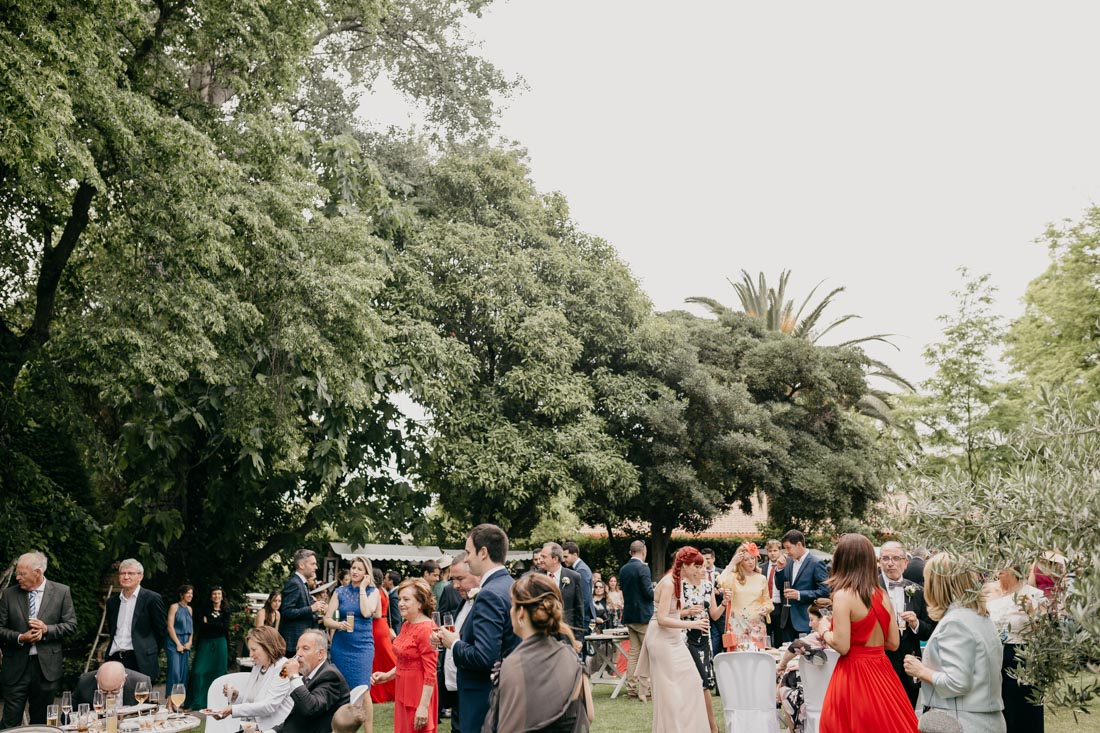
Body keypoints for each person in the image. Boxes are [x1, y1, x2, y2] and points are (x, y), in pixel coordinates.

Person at [817, 534, 917, 733]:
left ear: (842, 560)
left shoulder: (843, 596)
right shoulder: (882, 595)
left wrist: (824, 630)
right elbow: (893, 643)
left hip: (853, 674)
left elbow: (842, 646)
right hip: (882, 671)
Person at [904, 553, 1006, 733]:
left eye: (927, 580)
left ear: (938, 585)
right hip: (983, 720)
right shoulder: (979, 616)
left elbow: (957, 683)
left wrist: (921, 671)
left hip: (963, 722)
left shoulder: (956, 622)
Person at [434, 523, 520, 733]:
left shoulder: (489, 594)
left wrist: (453, 643)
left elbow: (484, 657)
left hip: (483, 697)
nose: (466, 558)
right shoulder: (511, 585)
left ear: (483, 552)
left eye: (469, 552)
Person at [487, 573, 592, 732]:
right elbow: (589, 714)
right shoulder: (572, 657)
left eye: (513, 605)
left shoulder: (514, 665)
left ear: (521, 612)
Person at [636, 546, 712, 732]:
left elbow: (674, 613)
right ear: (685, 565)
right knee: (669, 692)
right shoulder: (669, 583)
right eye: (697, 566)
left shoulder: (679, 581)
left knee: (694, 681)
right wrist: (692, 625)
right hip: (661, 640)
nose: (700, 570)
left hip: (674, 639)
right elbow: (662, 619)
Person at [0, 551, 78, 726]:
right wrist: (21, 637)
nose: (17, 577)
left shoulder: (61, 592)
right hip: (15, 669)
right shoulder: (9, 594)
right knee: (10, 722)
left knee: (41, 723)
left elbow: (71, 625)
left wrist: (47, 630)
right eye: (18, 573)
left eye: (22, 573)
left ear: (38, 572)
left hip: (46, 669)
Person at [370, 579, 438, 733]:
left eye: (406, 599)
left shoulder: (427, 629)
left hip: (419, 693)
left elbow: (431, 672)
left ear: (420, 603)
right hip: (403, 689)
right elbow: (405, 662)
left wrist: (423, 706)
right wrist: (387, 676)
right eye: (400, 599)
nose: (400, 603)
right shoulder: (407, 624)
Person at [985, 566, 1046, 733]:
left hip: (1023, 659)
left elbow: (1045, 632)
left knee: (1024, 713)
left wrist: (1032, 612)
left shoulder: (1034, 594)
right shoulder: (987, 591)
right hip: (991, 658)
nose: (1000, 568)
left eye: (1006, 564)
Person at [877, 541, 936, 706]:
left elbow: (930, 631)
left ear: (905, 563)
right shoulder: (870, 589)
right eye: (885, 558)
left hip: (909, 667)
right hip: (880, 665)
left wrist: (916, 623)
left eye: (896, 558)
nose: (890, 563)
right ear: (879, 562)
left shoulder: (918, 591)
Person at [210, 625, 294, 730]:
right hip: (253, 727)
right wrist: (237, 696)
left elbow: (269, 706)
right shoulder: (258, 666)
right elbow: (254, 701)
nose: (251, 654)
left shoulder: (284, 668)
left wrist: (233, 709)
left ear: (268, 647)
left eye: (254, 649)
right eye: (250, 650)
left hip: (275, 729)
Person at [678, 548, 724, 733]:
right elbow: (671, 614)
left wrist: (724, 604)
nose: (703, 569)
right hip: (685, 637)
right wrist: (688, 612)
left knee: (704, 682)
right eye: (699, 566)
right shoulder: (679, 586)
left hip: (704, 638)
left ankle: (711, 725)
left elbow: (713, 614)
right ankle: (697, 725)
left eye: (704, 566)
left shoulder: (708, 586)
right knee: (692, 682)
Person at [273, 629, 349, 733]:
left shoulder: (330, 676)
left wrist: (294, 677)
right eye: (297, 649)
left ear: (320, 654)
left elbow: (310, 709)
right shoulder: (309, 676)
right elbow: (295, 719)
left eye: (305, 648)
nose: (298, 654)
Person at [323, 556, 381, 690]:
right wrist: (339, 625)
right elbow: (327, 619)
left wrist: (362, 589)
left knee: (362, 688)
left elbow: (366, 613)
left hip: (362, 647)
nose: (355, 571)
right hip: (341, 645)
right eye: (353, 568)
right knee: (340, 687)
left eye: (359, 569)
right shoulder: (340, 592)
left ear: (367, 573)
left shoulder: (373, 592)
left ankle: (363, 712)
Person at [105, 558, 167, 682]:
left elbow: (161, 631)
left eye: (130, 573)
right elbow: (111, 628)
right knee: (114, 699)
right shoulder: (112, 602)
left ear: (140, 576)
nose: (126, 577)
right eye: (123, 573)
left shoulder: (152, 599)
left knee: (141, 700)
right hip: (115, 659)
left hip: (140, 660)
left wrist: (148, 650)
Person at [440, 553, 479, 728]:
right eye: (453, 579)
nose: (454, 585)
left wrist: (454, 643)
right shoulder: (464, 601)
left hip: (473, 688)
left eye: (459, 579)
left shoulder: (484, 602)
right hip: (456, 686)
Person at [777, 605, 829, 733]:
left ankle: (779, 707)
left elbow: (796, 645)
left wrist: (782, 665)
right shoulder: (843, 637)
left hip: (818, 697)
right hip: (838, 691)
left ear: (823, 620)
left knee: (787, 681)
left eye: (812, 620)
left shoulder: (819, 637)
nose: (810, 625)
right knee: (791, 676)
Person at [775, 530, 830, 643]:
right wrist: (780, 569)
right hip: (786, 621)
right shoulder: (788, 562)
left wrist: (800, 595)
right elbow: (781, 587)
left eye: (789, 548)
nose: (787, 552)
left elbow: (825, 591)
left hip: (805, 620)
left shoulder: (816, 563)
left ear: (799, 544)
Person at [618, 540, 653, 700]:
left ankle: (631, 689)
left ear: (630, 552)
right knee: (649, 653)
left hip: (630, 615)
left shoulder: (624, 569)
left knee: (634, 654)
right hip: (643, 616)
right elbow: (647, 593)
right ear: (643, 551)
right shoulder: (643, 568)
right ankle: (645, 691)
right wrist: (657, 591)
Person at [186, 586, 231, 709]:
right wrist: (216, 624)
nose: (217, 596)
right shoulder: (204, 610)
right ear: (211, 597)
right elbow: (201, 627)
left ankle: (217, 702)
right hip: (205, 643)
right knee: (198, 672)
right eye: (214, 594)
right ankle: (198, 701)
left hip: (220, 644)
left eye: (219, 594)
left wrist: (209, 624)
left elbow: (224, 628)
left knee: (219, 672)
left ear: (222, 596)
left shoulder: (226, 611)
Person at [281, 549, 327, 657]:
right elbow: (287, 612)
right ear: (302, 565)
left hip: (300, 642)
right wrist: (312, 608)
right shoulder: (295, 583)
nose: (316, 567)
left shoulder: (302, 583)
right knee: (288, 673)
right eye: (313, 564)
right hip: (293, 643)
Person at [539, 542, 586, 646]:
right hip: (542, 635)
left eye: (544, 557)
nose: (540, 559)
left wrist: (578, 638)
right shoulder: (536, 577)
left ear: (555, 559)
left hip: (566, 634)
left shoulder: (574, 577)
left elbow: (579, 608)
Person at [717, 542, 773, 627]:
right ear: (740, 562)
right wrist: (732, 563)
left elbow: (767, 601)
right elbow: (722, 582)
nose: (750, 562)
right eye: (746, 560)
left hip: (757, 623)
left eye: (752, 558)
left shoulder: (761, 578)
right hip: (737, 624)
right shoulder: (733, 576)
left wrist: (766, 608)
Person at [370, 568, 398, 704]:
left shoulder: (375, 592)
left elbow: (374, 612)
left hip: (376, 624)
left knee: (380, 659)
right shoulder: (384, 591)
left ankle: (382, 692)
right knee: (386, 658)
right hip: (384, 624)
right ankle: (390, 689)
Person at [73, 661, 152, 708]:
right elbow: (67, 716)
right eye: (104, 691)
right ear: (97, 678)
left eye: (115, 691)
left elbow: (152, 712)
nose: (109, 695)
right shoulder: (84, 682)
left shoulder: (141, 682)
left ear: (124, 679)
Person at [164, 584, 194, 696]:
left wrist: (190, 641)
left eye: (191, 593)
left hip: (186, 642)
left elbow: (191, 628)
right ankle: (169, 702)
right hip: (174, 642)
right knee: (174, 672)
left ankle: (178, 703)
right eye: (188, 593)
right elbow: (170, 627)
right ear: (182, 594)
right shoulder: (174, 607)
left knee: (183, 673)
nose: (190, 595)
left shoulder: (190, 609)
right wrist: (178, 643)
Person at [562, 541, 596, 629]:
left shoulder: (581, 570)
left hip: (583, 617)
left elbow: (584, 597)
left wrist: (577, 617)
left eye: (566, 556)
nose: (563, 560)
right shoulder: (579, 568)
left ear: (575, 555)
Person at [760, 540, 785, 644]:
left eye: (775, 550)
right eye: (770, 551)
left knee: (779, 636)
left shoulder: (786, 566)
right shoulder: (761, 568)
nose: (772, 553)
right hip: (765, 606)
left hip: (779, 605)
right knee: (766, 636)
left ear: (780, 551)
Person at [385, 571, 403, 638]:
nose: (384, 581)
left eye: (385, 578)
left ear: (391, 581)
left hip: (395, 631)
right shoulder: (394, 593)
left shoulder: (394, 596)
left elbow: (396, 618)